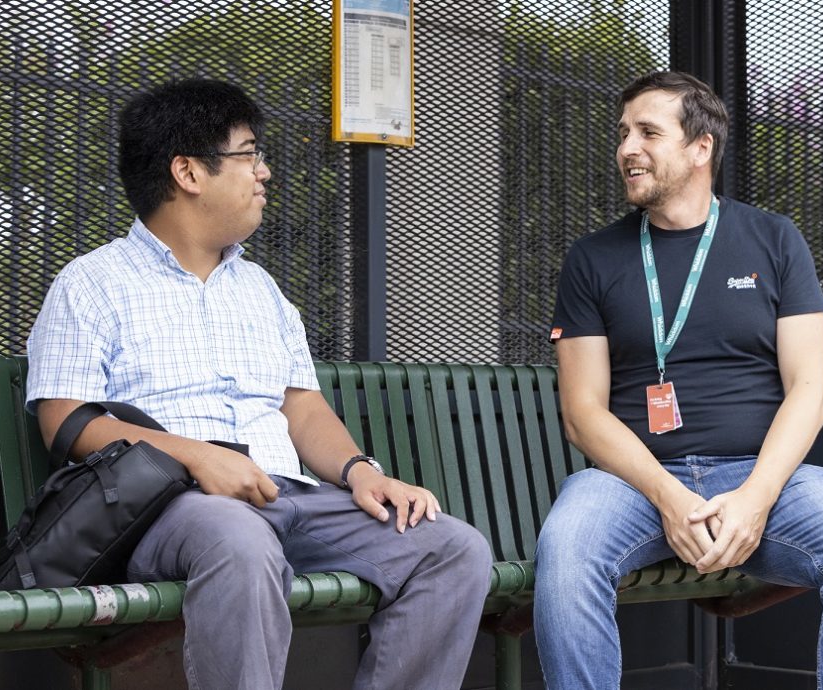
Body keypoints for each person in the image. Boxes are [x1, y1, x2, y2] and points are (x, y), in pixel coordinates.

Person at [25, 78, 492, 690]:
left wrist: (361, 472)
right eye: (250, 155)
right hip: (176, 509)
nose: (264, 173)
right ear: (189, 172)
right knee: (239, 542)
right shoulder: (91, 284)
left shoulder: (262, 290)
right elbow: (68, 422)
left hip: (292, 496)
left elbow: (300, 407)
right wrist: (202, 461)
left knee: (452, 549)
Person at [534, 71, 823, 689]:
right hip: (634, 484)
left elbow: (811, 390)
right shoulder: (593, 259)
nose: (627, 147)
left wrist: (757, 498)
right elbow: (582, 412)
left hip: (763, 477)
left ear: (700, 147)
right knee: (568, 550)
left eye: (649, 132)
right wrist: (669, 497)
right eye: (623, 133)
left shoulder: (774, 239)